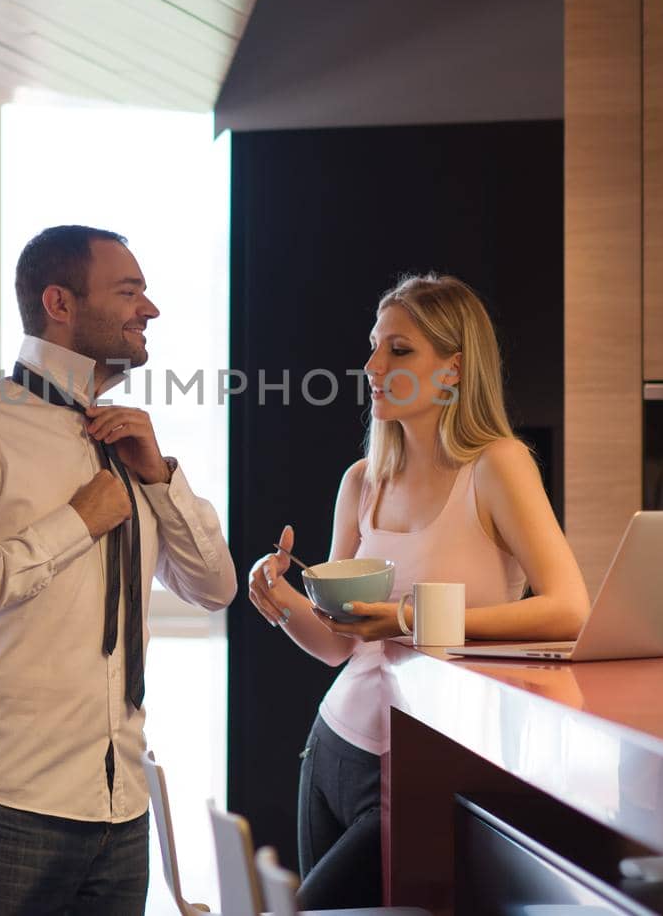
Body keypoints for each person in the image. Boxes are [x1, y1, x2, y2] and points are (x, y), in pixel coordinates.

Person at [0, 224, 237, 916]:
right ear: (60, 301)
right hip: (5, 801)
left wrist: (161, 480)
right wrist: (74, 524)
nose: (149, 310)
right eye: (129, 291)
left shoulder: (128, 443)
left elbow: (215, 588)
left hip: (120, 808)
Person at [246, 273, 591, 909]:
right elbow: (335, 645)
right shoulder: (363, 481)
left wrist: (407, 619)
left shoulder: (497, 466)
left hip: (423, 760)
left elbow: (570, 609)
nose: (373, 365)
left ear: (453, 369)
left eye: (399, 350)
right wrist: (282, 599)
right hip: (332, 748)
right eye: (374, 346)